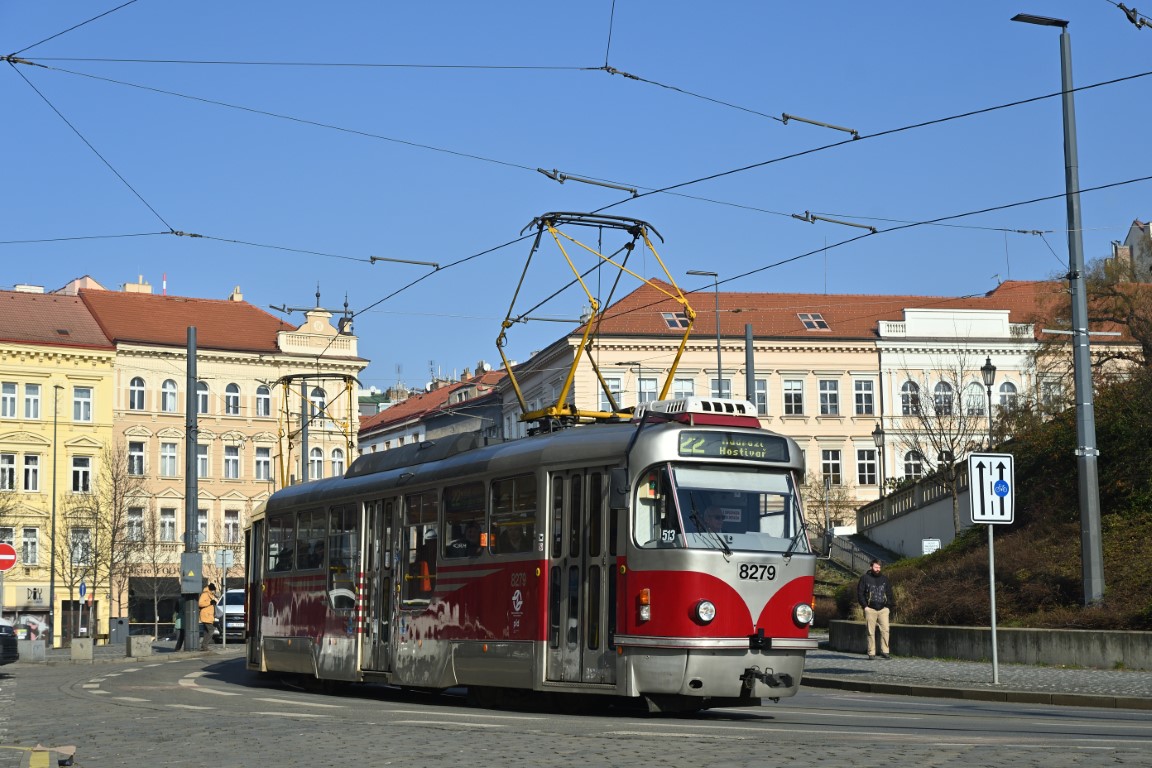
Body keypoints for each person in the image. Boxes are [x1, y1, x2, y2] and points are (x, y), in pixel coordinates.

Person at [856, 559, 895, 659]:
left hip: (883, 609)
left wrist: (888, 606)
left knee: (885, 630)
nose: (878, 569)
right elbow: (860, 593)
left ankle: (885, 651)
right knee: (870, 632)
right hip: (870, 609)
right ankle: (871, 653)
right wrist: (865, 606)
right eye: (876, 567)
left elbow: (890, 593)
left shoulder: (884, 579)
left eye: (879, 567)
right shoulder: (864, 578)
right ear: (871, 567)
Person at [198, 583, 217, 651]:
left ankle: (204, 646)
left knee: (207, 631)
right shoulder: (205, 594)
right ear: (211, 589)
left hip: (209, 615)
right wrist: (210, 603)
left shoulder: (211, 595)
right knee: (211, 630)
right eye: (213, 590)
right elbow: (200, 604)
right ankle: (204, 645)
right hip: (206, 615)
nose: (214, 591)